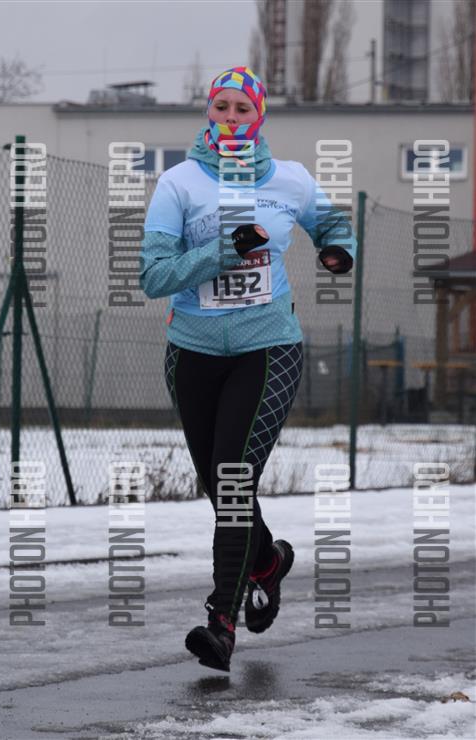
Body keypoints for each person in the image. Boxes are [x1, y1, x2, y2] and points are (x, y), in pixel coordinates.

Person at [139, 66, 356, 672]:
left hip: (268, 348)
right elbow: (153, 276)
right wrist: (224, 251)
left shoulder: (291, 179)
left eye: (243, 109)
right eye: (222, 107)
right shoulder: (179, 183)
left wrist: (338, 250)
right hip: (192, 351)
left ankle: (222, 622)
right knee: (220, 484)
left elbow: (333, 224)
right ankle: (267, 562)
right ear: (208, 112)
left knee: (233, 479)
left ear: (259, 117)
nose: (231, 118)